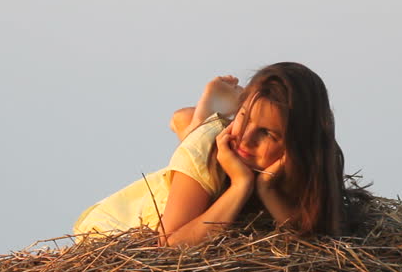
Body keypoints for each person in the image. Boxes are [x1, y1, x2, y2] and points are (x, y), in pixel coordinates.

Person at [73, 62, 369, 246]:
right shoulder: (206, 150)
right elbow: (170, 245)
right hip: (115, 227)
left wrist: (266, 189)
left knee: (194, 129)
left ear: (298, 145)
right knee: (200, 139)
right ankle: (202, 117)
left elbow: (313, 243)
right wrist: (241, 186)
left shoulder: (315, 163)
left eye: (267, 133)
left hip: (211, 144)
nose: (246, 138)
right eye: (244, 117)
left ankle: (200, 116)